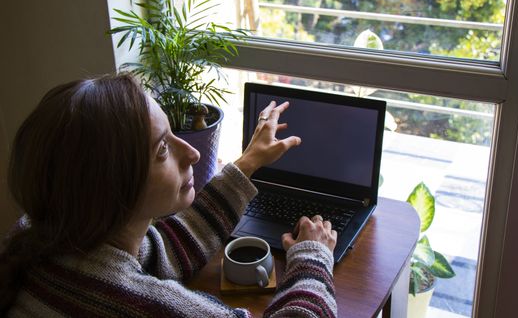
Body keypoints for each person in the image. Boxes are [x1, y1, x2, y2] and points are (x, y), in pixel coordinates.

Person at [0, 73, 338, 317]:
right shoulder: (144, 306)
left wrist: (248, 162)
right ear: (113, 184)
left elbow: (164, 250)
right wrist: (312, 257)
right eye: (162, 148)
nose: (192, 153)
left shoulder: (38, 234)